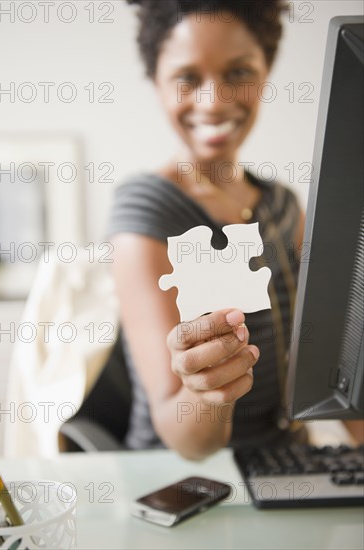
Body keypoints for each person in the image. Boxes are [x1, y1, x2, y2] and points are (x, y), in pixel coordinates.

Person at [106, 0, 305, 460]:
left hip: (286, 462)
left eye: (238, 73)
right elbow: (190, 445)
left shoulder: (283, 205)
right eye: (187, 78)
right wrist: (205, 390)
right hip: (186, 480)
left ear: (266, 72)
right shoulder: (147, 211)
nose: (214, 101)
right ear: (156, 83)